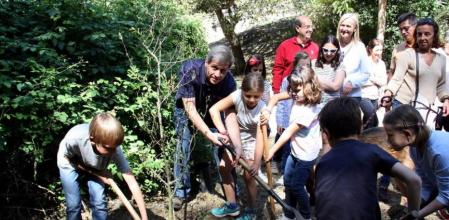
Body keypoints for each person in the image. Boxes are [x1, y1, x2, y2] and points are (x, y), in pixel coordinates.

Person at [315, 98, 421, 220]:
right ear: (361, 128)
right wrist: (413, 214)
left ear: (326, 134)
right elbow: (414, 180)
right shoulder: (371, 151)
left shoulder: (322, 163)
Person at [173, 44, 240, 210]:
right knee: (183, 147)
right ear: (206, 62)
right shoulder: (190, 70)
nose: (218, 74)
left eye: (223, 71)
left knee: (225, 146)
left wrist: (230, 138)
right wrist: (209, 135)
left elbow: (230, 114)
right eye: (214, 68)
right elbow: (190, 109)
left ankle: (231, 190)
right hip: (186, 110)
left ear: (229, 69)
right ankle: (181, 192)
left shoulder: (230, 82)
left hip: (214, 112)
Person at [57, 113, 148, 220]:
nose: (113, 152)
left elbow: (132, 182)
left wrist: (144, 217)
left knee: (99, 202)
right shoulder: (75, 139)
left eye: (115, 147)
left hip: (96, 166)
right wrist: (97, 174)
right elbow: (69, 159)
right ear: (93, 140)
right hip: (69, 162)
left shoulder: (114, 149)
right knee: (74, 205)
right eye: (109, 148)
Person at [264, 66, 322, 220]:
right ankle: (289, 214)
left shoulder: (309, 110)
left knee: (296, 186)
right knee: (288, 182)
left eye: (297, 89)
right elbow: (275, 97)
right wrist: (268, 109)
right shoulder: (298, 96)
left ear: (309, 88)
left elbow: (288, 132)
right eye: (291, 89)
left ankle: (305, 215)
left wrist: (272, 150)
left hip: (306, 155)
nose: (293, 93)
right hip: (296, 151)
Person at [209, 73, 266, 219]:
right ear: (242, 91)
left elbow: (260, 138)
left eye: (256, 96)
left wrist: (257, 161)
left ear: (262, 94)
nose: (252, 100)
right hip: (236, 139)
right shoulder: (236, 96)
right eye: (248, 96)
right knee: (223, 168)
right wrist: (223, 132)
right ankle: (232, 206)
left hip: (253, 142)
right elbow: (214, 110)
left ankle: (252, 210)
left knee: (249, 177)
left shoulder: (262, 109)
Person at [383, 104, 449, 218]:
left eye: (390, 136)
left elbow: (446, 196)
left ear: (408, 134)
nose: (388, 142)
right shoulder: (415, 147)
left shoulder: (439, 152)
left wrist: (415, 215)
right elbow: (427, 183)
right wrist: (414, 206)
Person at [382, 18, 449, 122]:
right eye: (419, 34)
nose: (422, 38)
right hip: (403, 106)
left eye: (427, 34)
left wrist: (446, 100)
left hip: (426, 108)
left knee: (424, 137)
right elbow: (396, 79)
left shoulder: (442, 59)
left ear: (434, 36)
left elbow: (441, 84)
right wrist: (387, 95)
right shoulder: (407, 55)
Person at [274, 52, 311, 184]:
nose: (304, 68)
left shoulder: (310, 81)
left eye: (307, 65)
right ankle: (285, 174)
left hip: (301, 121)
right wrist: (280, 121)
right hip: (288, 120)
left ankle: (299, 176)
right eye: (301, 65)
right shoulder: (287, 81)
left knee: (298, 148)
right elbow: (282, 102)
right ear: (295, 66)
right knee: (287, 149)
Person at [336, 13, 373, 128]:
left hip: (352, 96)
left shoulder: (360, 47)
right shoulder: (333, 44)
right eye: (343, 25)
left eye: (348, 26)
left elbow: (366, 73)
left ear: (355, 29)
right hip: (332, 95)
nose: (345, 29)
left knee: (351, 127)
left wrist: (352, 82)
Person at [313, 34, 346, 156]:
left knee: (327, 139)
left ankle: (325, 166)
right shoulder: (313, 64)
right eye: (325, 50)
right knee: (313, 140)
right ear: (321, 49)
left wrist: (315, 79)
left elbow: (335, 86)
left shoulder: (340, 66)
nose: (328, 53)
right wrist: (327, 83)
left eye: (332, 51)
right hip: (314, 107)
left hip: (331, 109)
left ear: (337, 51)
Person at [272, 15, 319, 94]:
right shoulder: (285, 46)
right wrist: (276, 92)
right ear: (297, 28)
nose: (311, 30)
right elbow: (277, 70)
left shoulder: (315, 47)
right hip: (288, 91)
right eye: (307, 27)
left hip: (308, 93)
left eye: (311, 27)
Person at [360, 38, 387, 127]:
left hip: (375, 96)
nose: (379, 53)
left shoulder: (382, 64)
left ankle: (362, 137)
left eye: (380, 50)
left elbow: (383, 81)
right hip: (364, 96)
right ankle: (368, 139)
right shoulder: (365, 62)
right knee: (372, 118)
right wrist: (376, 80)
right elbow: (361, 81)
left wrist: (372, 78)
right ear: (370, 50)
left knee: (369, 121)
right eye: (377, 50)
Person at [389, 12, 417, 80]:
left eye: (406, 28)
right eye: (401, 29)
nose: (403, 32)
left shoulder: (425, 48)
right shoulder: (398, 49)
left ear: (416, 27)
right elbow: (392, 73)